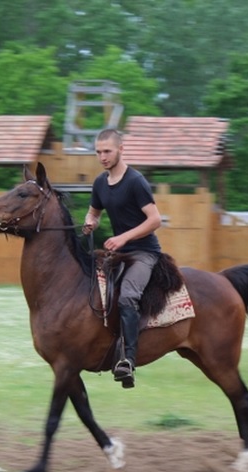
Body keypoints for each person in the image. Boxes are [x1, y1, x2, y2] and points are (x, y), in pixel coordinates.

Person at [83, 128, 162, 388]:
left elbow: (155, 220)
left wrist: (124, 238)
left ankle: (128, 360)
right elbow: (94, 212)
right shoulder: (99, 183)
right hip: (119, 254)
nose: (102, 157)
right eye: (98, 152)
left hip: (144, 253)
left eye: (107, 151)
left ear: (120, 150)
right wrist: (90, 222)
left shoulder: (135, 181)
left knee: (127, 295)